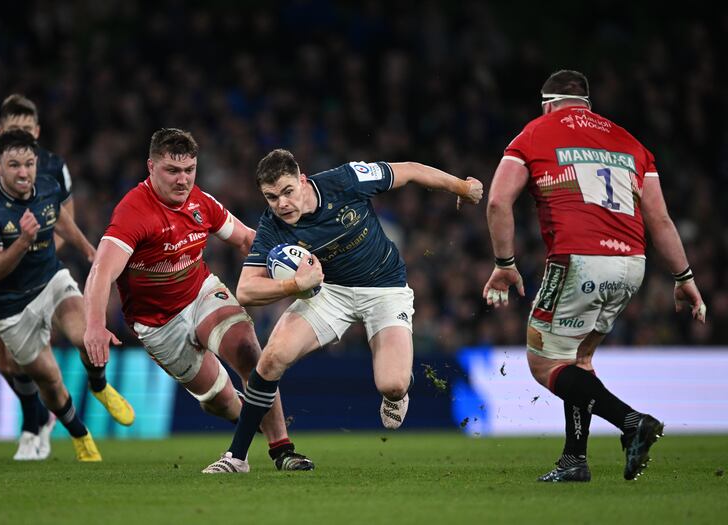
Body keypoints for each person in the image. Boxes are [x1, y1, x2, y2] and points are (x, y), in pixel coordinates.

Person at [482, 69, 707, 482]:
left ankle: (632, 421)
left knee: (544, 362)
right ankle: (574, 461)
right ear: (587, 104)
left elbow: (498, 201)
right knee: (578, 359)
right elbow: (659, 218)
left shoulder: (534, 132)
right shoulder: (631, 143)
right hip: (631, 264)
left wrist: (504, 264)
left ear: (548, 103)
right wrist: (684, 277)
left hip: (577, 259)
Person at [202, 148, 483, 473]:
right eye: (271, 197)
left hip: (385, 289)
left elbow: (408, 169)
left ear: (302, 180)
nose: (282, 204)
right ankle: (236, 457)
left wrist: (461, 188)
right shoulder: (272, 225)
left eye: (287, 191)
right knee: (271, 358)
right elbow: (245, 289)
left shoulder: (346, 181)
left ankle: (397, 392)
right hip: (330, 291)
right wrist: (294, 285)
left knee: (392, 383)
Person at [83, 128, 313, 472]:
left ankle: (281, 450)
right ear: (151, 167)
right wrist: (94, 326)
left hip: (201, 293)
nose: (182, 179)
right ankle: (258, 419)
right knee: (219, 403)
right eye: (172, 171)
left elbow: (246, 239)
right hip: (159, 325)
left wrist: (296, 261)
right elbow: (101, 271)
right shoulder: (133, 212)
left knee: (248, 351)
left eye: (189, 170)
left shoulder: (201, 202)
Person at [0, 94, 133, 460]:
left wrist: (89, 250)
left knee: (86, 335)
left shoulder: (50, 176)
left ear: (36, 143)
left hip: (49, 277)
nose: (23, 170)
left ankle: (99, 387)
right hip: (8, 300)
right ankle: (72, 430)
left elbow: (61, 218)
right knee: (42, 377)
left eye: (28, 161)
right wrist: (5, 243)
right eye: (14, 162)